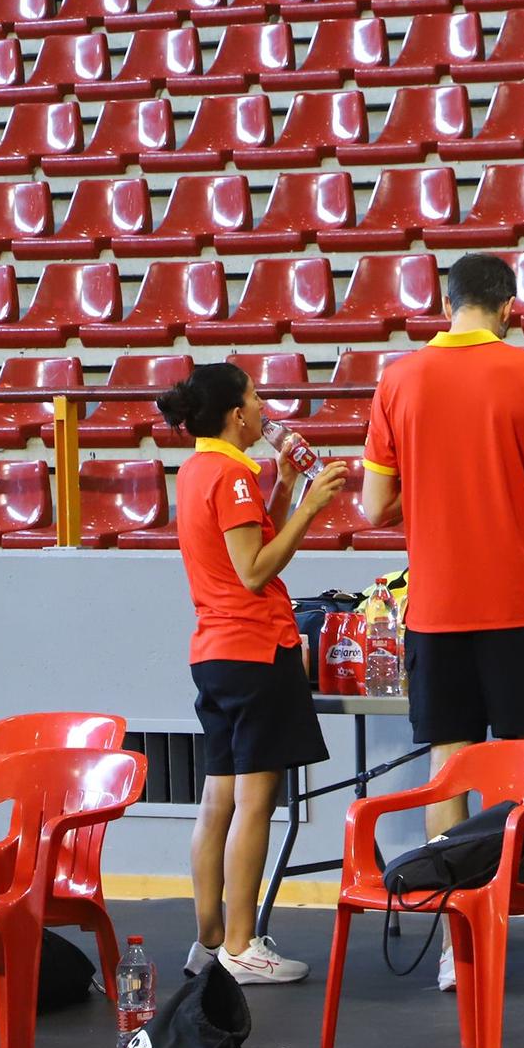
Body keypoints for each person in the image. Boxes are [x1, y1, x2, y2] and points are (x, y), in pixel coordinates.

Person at [359, 253, 524, 991]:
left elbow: (375, 507)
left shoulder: (398, 379)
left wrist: (438, 488)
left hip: (437, 610)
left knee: (451, 773)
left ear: (449, 303)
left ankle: (457, 949)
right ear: (507, 307)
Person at [165, 363, 350, 985]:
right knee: (253, 803)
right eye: (254, 398)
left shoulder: (197, 470)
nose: (263, 407)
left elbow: (244, 540)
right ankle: (243, 944)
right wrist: (311, 507)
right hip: (254, 648)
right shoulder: (231, 473)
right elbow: (254, 569)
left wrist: (285, 487)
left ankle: (210, 940)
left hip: (213, 653)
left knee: (217, 799)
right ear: (236, 415)